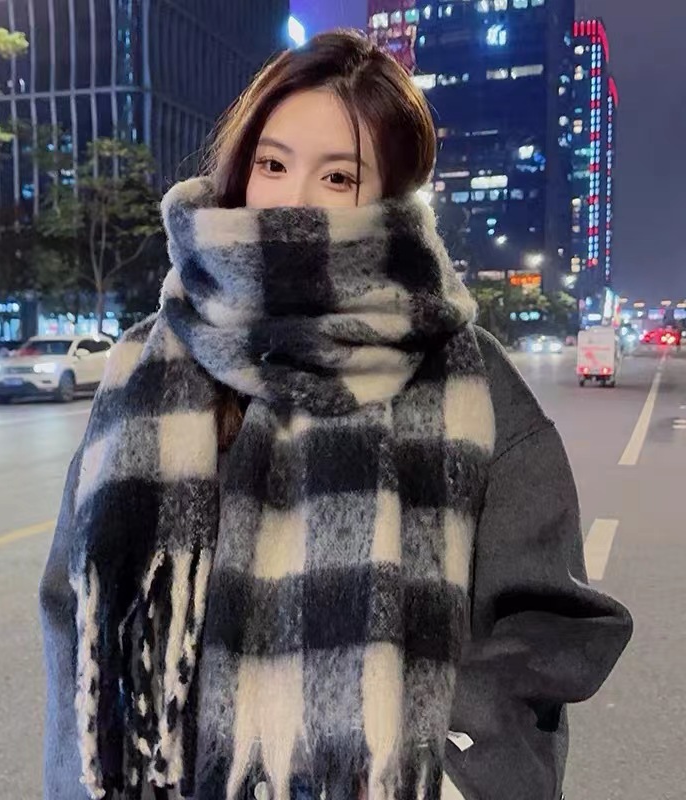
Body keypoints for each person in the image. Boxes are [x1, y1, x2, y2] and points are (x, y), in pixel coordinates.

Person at [40, 30, 632, 800]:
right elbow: (75, 608)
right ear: (239, 169)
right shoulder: (147, 363)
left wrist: (440, 759)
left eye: (338, 175)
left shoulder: (463, 372)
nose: (293, 198)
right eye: (273, 164)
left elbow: (550, 623)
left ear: (389, 197)